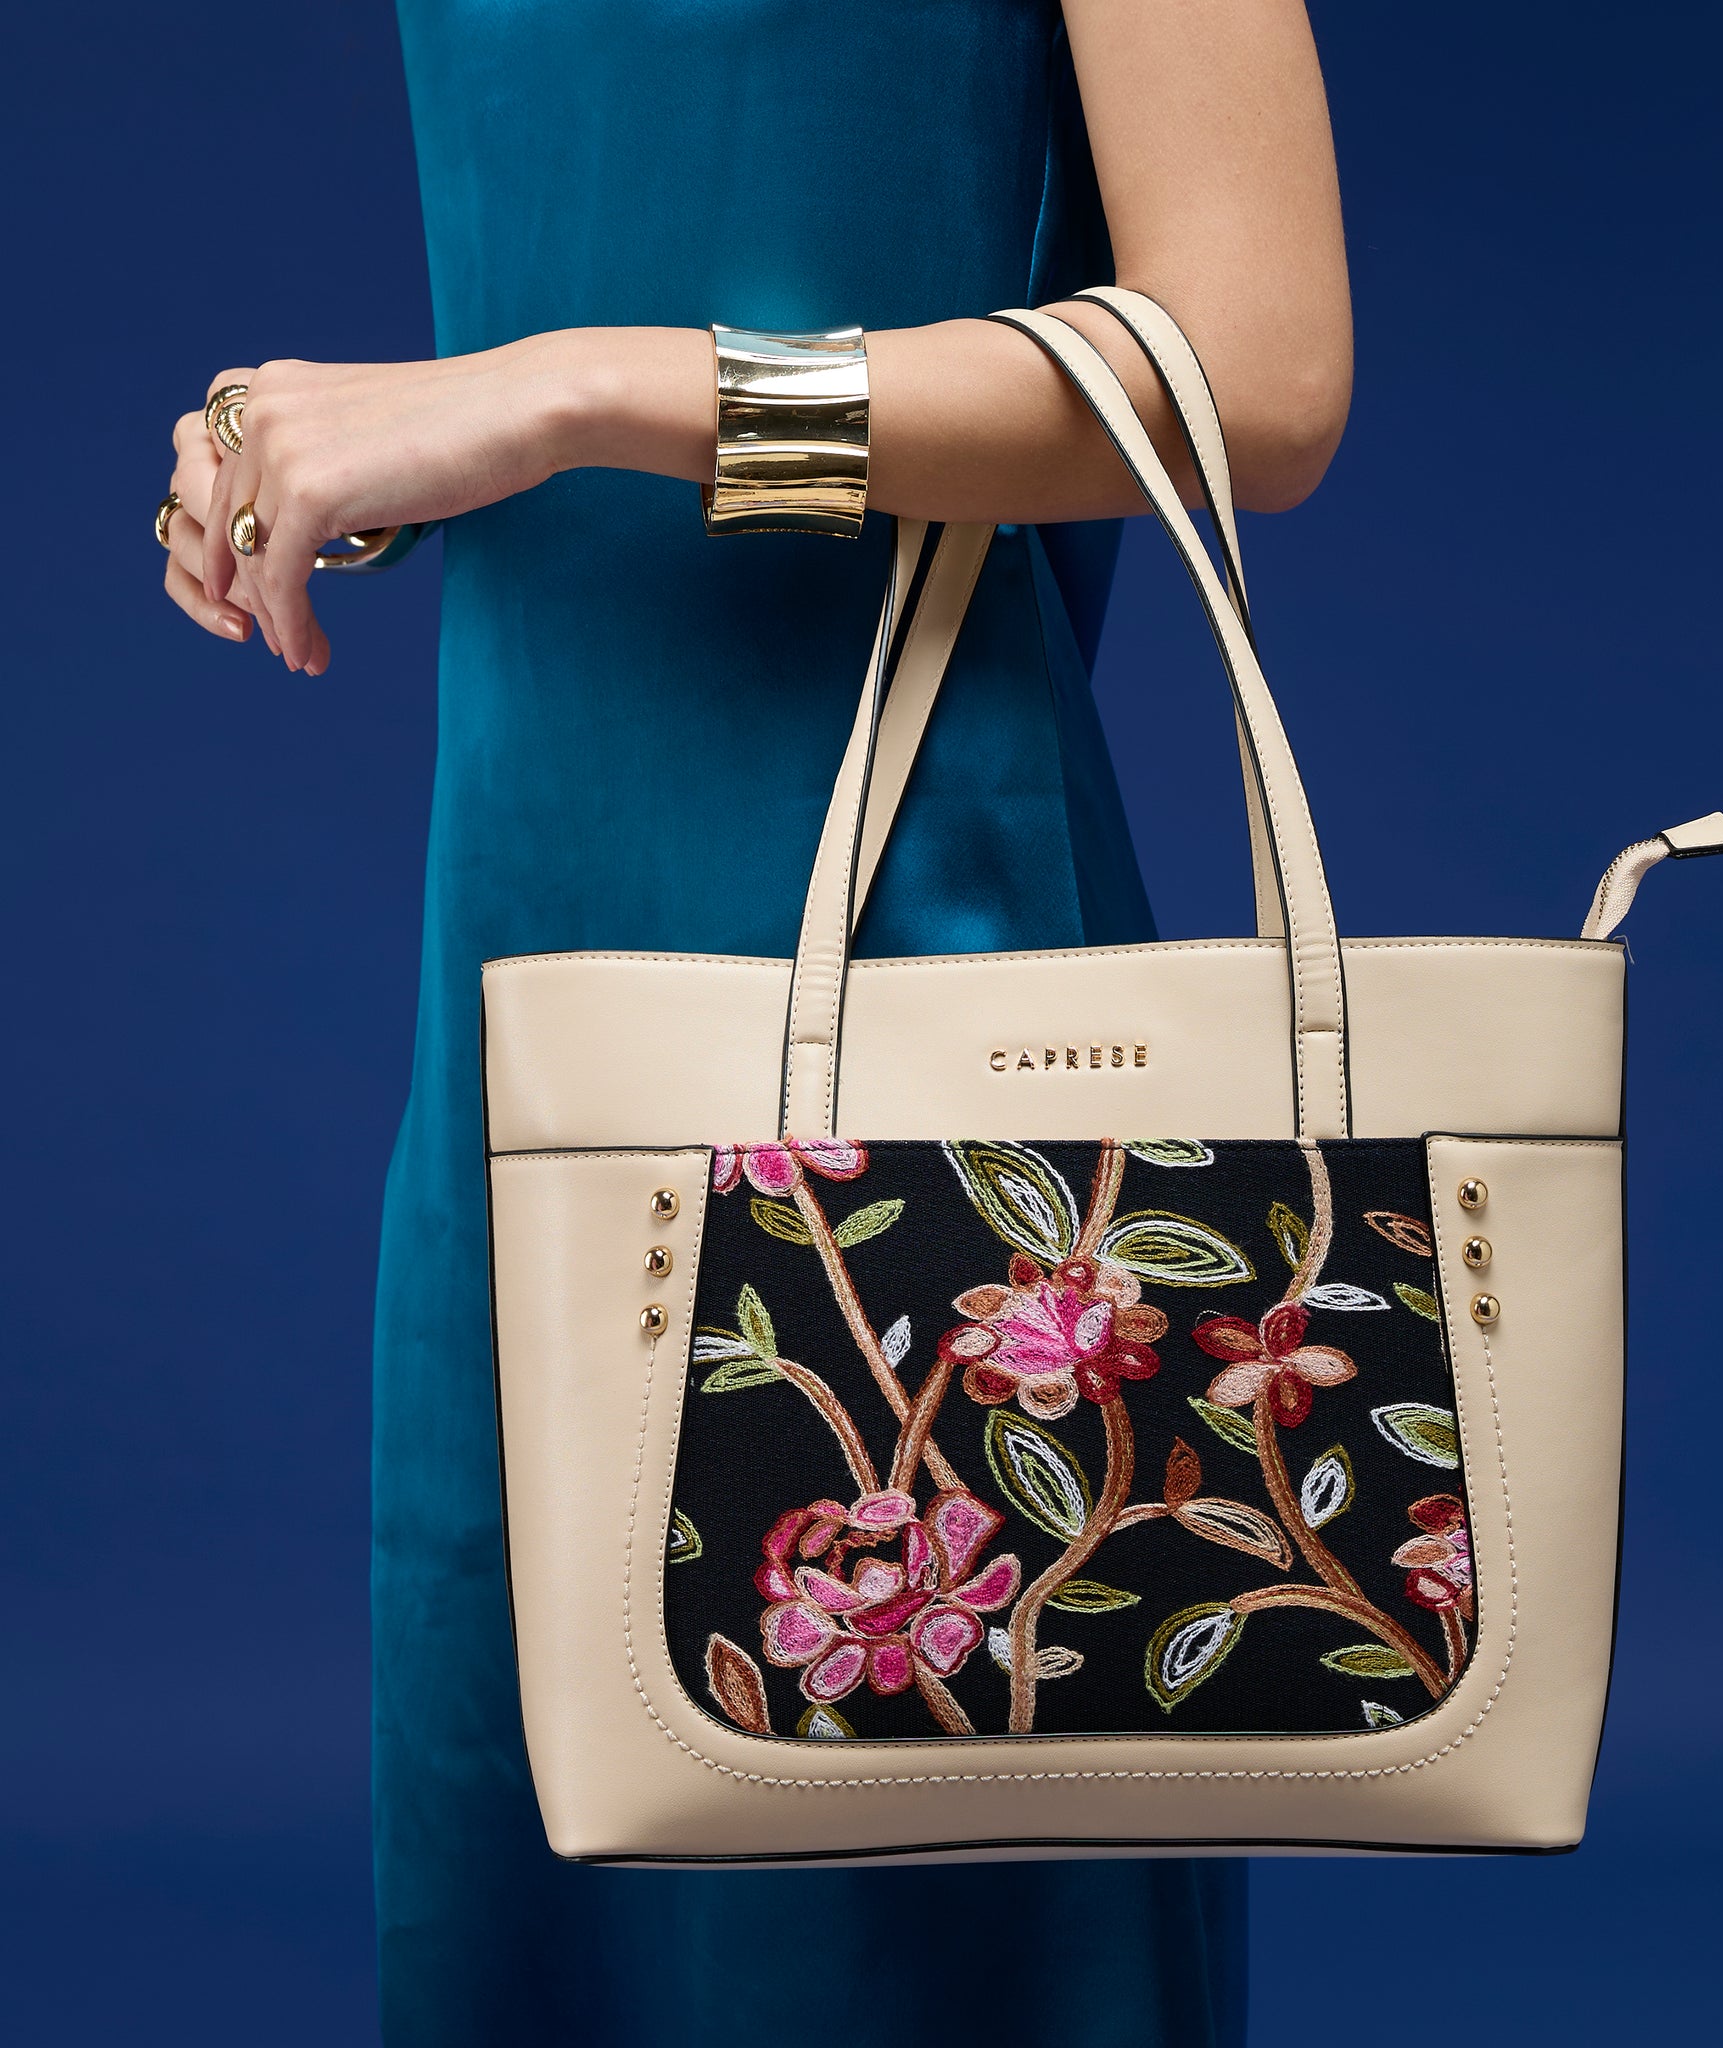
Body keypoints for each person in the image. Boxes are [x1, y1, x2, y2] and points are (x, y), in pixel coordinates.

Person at [155, 3, 1351, 2040]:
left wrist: (564, 393)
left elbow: (1258, 371)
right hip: (526, 952)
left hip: (911, 940)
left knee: (914, 1922)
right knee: (548, 1876)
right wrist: (359, 443)